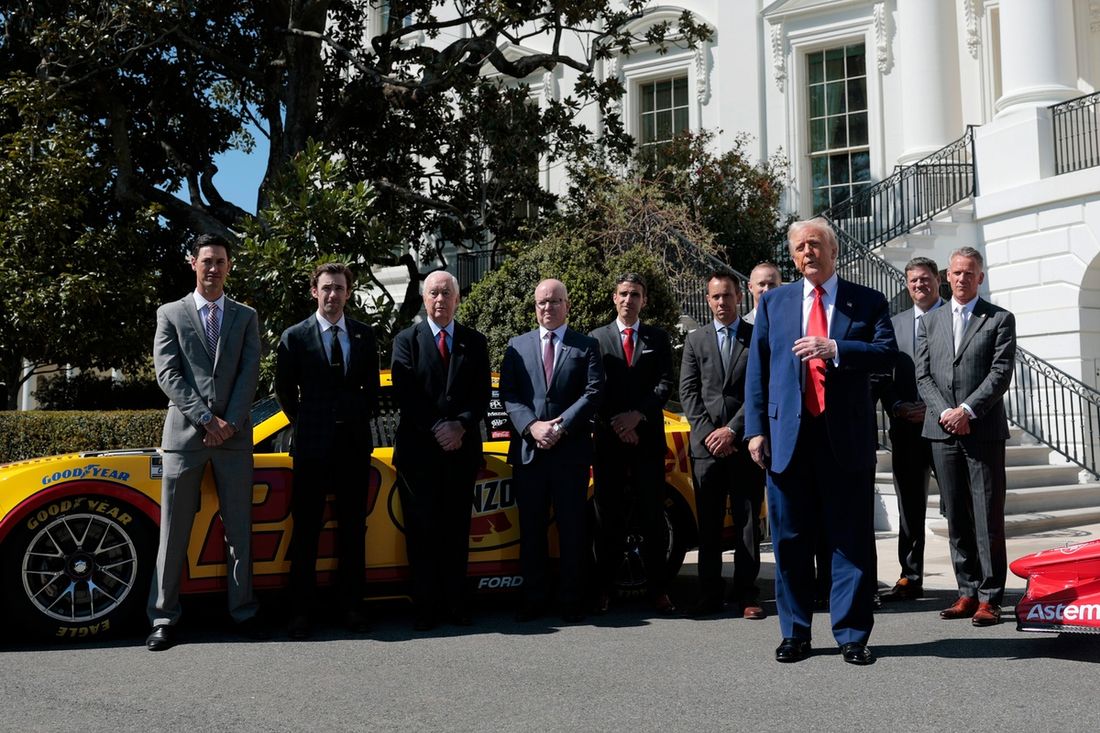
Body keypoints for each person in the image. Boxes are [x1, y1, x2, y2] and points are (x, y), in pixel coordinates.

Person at [744, 218, 896, 666]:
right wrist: (755, 430)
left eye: (814, 244)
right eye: (798, 248)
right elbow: (758, 372)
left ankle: (851, 634)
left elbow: (887, 353)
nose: (807, 253)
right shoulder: (775, 303)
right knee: (790, 539)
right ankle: (795, 633)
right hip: (788, 438)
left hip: (843, 438)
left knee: (849, 538)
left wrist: (838, 348)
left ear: (833, 251)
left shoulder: (866, 301)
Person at [147, 233, 262, 651]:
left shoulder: (245, 315)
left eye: (221, 261)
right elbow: (168, 374)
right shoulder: (170, 313)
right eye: (207, 260)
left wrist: (228, 422)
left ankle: (243, 611)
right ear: (192, 262)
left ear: (229, 267)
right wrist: (206, 418)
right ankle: (162, 617)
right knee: (174, 532)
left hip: (233, 438)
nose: (213, 268)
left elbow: (250, 372)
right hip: (185, 438)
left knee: (240, 532)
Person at [275, 262, 380, 639]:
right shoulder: (295, 336)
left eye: (339, 288)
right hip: (312, 447)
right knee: (306, 531)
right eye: (326, 288)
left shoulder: (365, 336)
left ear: (348, 293)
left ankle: (352, 608)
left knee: (354, 530)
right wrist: (308, 422)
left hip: (353, 447)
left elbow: (372, 390)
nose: (332, 294)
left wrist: (350, 417)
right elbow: (285, 392)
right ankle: (301, 612)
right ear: (314, 292)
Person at [916, 247, 1016, 627]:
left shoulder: (999, 319)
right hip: (941, 433)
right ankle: (967, 590)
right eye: (956, 273)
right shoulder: (931, 321)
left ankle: (991, 597)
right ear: (947, 276)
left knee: (987, 516)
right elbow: (923, 376)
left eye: (969, 273)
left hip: (982, 430)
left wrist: (967, 411)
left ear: (980, 278)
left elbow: (999, 373)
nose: (962, 279)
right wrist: (945, 412)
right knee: (956, 514)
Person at [391, 271, 491, 631]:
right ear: (423, 299)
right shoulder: (406, 341)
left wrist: (460, 425)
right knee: (421, 532)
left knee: (455, 530)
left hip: (460, 451)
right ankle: (426, 607)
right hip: (419, 454)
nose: (440, 299)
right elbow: (406, 392)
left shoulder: (474, 342)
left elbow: (481, 394)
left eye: (446, 293)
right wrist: (437, 427)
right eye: (433, 293)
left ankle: (456, 604)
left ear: (457, 299)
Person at [499, 278, 604, 623]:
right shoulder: (517, 346)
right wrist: (532, 427)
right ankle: (534, 599)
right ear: (535, 307)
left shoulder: (585, 345)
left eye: (555, 301)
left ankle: (572, 601)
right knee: (531, 531)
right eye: (542, 302)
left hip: (569, 454)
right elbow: (510, 395)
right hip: (530, 454)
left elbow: (593, 392)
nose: (548, 307)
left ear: (567, 305)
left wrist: (560, 426)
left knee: (573, 530)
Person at [679, 271, 766, 620]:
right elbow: (689, 393)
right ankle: (709, 594)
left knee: (746, 524)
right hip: (706, 451)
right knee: (709, 526)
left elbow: (760, 388)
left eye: (727, 296)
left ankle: (747, 594)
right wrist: (710, 436)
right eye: (714, 297)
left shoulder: (755, 336)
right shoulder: (695, 340)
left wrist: (732, 430)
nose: (721, 303)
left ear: (739, 298)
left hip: (744, 445)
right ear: (707, 299)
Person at [590, 273, 676, 616]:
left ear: (644, 300)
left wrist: (636, 417)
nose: (629, 300)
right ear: (614, 298)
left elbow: (664, 382)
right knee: (606, 520)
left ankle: (659, 591)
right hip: (609, 443)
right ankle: (603, 590)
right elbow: (594, 387)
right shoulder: (596, 339)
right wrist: (618, 422)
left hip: (647, 441)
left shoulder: (658, 337)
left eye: (635, 294)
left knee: (653, 519)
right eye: (624, 294)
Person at [876, 257, 944, 602]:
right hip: (906, 429)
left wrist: (933, 410)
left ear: (937, 280)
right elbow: (882, 376)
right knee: (910, 508)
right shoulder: (895, 325)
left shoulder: (953, 318)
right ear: (907, 285)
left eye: (926, 279)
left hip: (947, 429)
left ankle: (971, 581)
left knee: (959, 507)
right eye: (914, 280)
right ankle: (910, 576)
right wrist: (898, 407)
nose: (920, 285)